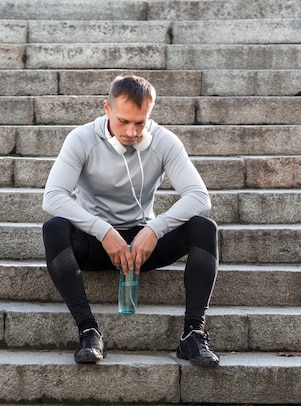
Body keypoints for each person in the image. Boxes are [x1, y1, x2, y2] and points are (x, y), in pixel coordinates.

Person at [41, 75, 220, 366]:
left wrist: (154, 228)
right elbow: (53, 198)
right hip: (95, 244)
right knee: (54, 228)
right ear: (107, 109)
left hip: (142, 245)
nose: (132, 132)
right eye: (124, 121)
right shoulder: (82, 139)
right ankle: (88, 331)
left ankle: (193, 335)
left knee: (204, 227)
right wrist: (102, 231)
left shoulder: (163, 141)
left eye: (140, 122)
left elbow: (199, 196)